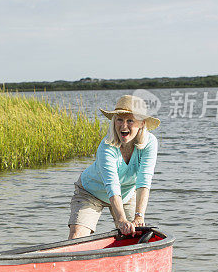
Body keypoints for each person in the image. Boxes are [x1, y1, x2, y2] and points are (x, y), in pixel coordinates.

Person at [68, 94, 159, 239]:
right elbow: (112, 185)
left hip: (126, 194)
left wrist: (139, 216)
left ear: (142, 123)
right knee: (77, 237)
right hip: (90, 192)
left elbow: (144, 181)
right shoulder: (106, 146)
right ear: (114, 121)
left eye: (130, 121)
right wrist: (121, 219)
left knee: (136, 235)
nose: (124, 126)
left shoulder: (150, 143)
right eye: (119, 120)